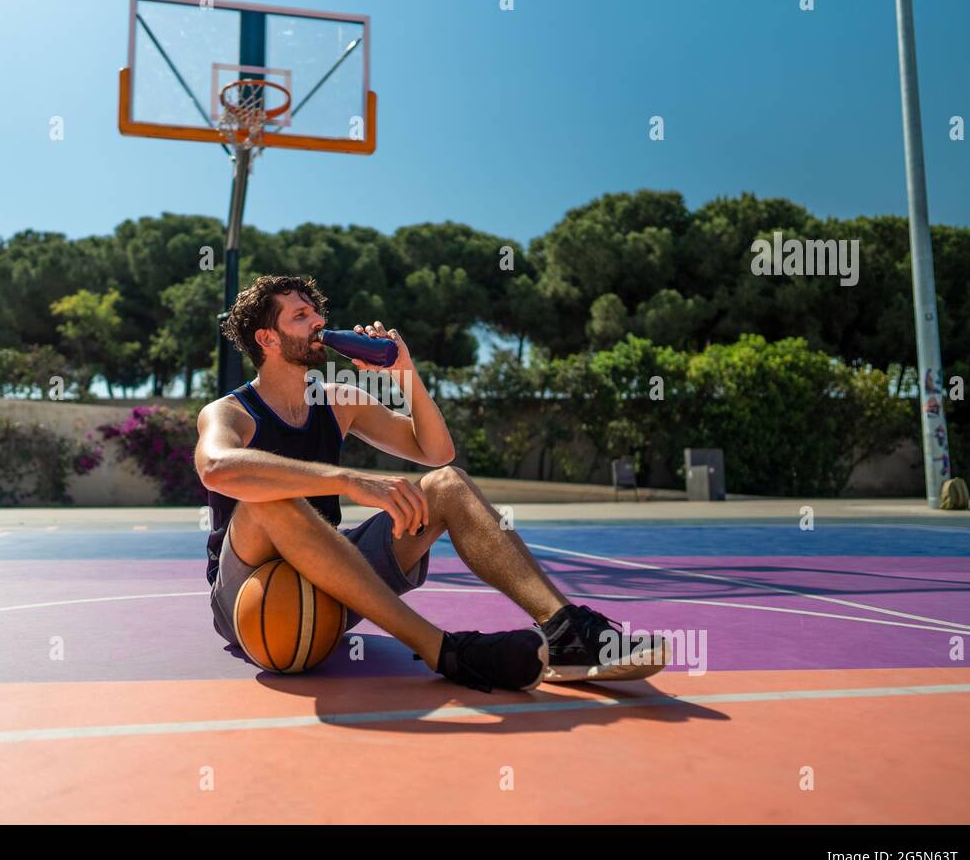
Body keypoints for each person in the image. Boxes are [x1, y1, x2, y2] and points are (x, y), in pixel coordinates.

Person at [194, 274, 666, 692]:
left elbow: (435, 452)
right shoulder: (230, 412)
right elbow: (217, 467)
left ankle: (566, 633)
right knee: (269, 501)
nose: (317, 321)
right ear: (267, 338)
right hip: (247, 594)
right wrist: (348, 480)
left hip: (329, 583)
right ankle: (447, 651)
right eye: (300, 315)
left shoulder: (339, 401)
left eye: (317, 312)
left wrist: (406, 375)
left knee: (447, 484)